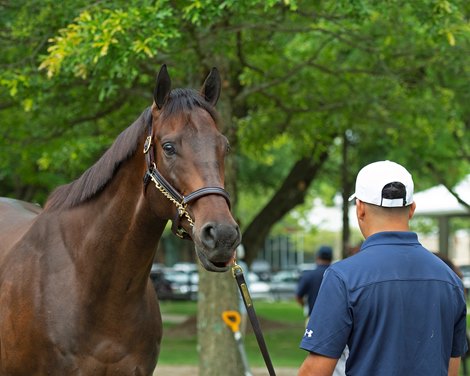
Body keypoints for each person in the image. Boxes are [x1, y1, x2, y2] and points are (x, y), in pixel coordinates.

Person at [298, 160, 468, 376]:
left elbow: (316, 371)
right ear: (412, 209)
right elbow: (451, 369)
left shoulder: (343, 277)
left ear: (360, 208)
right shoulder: (450, 279)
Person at [296, 245, 333, 317]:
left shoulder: (308, 275)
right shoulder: (338, 275)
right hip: (334, 319)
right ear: (331, 258)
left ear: (317, 257)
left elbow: (298, 297)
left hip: (313, 318)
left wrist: (306, 307)